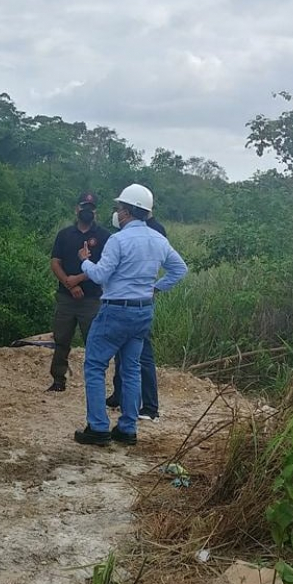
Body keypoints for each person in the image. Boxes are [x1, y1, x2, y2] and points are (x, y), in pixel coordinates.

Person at [73, 184, 187, 447]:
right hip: (142, 310)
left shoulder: (119, 240)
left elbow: (100, 275)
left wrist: (84, 261)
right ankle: (127, 428)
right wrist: (156, 288)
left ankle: (98, 427)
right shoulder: (159, 240)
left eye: (119, 208)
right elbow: (179, 269)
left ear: (126, 212)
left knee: (94, 366)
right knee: (132, 368)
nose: (117, 213)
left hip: (115, 310)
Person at [106, 212, 167, 421]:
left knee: (142, 355)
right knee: (123, 352)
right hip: (134, 301)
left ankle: (150, 406)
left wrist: (154, 288)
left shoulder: (154, 232)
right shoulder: (147, 231)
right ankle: (120, 395)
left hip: (137, 303)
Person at [47, 192, 111, 391]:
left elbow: (105, 266)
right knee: (61, 339)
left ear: (95, 211)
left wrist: (80, 279)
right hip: (66, 297)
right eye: (84, 207)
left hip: (91, 298)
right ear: (76, 209)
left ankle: (94, 382)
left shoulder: (104, 236)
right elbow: (55, 262)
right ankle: (58, 380)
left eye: (91, 208)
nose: (87, 211)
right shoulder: (65, 234)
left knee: (93, 341)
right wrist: (70, 284)